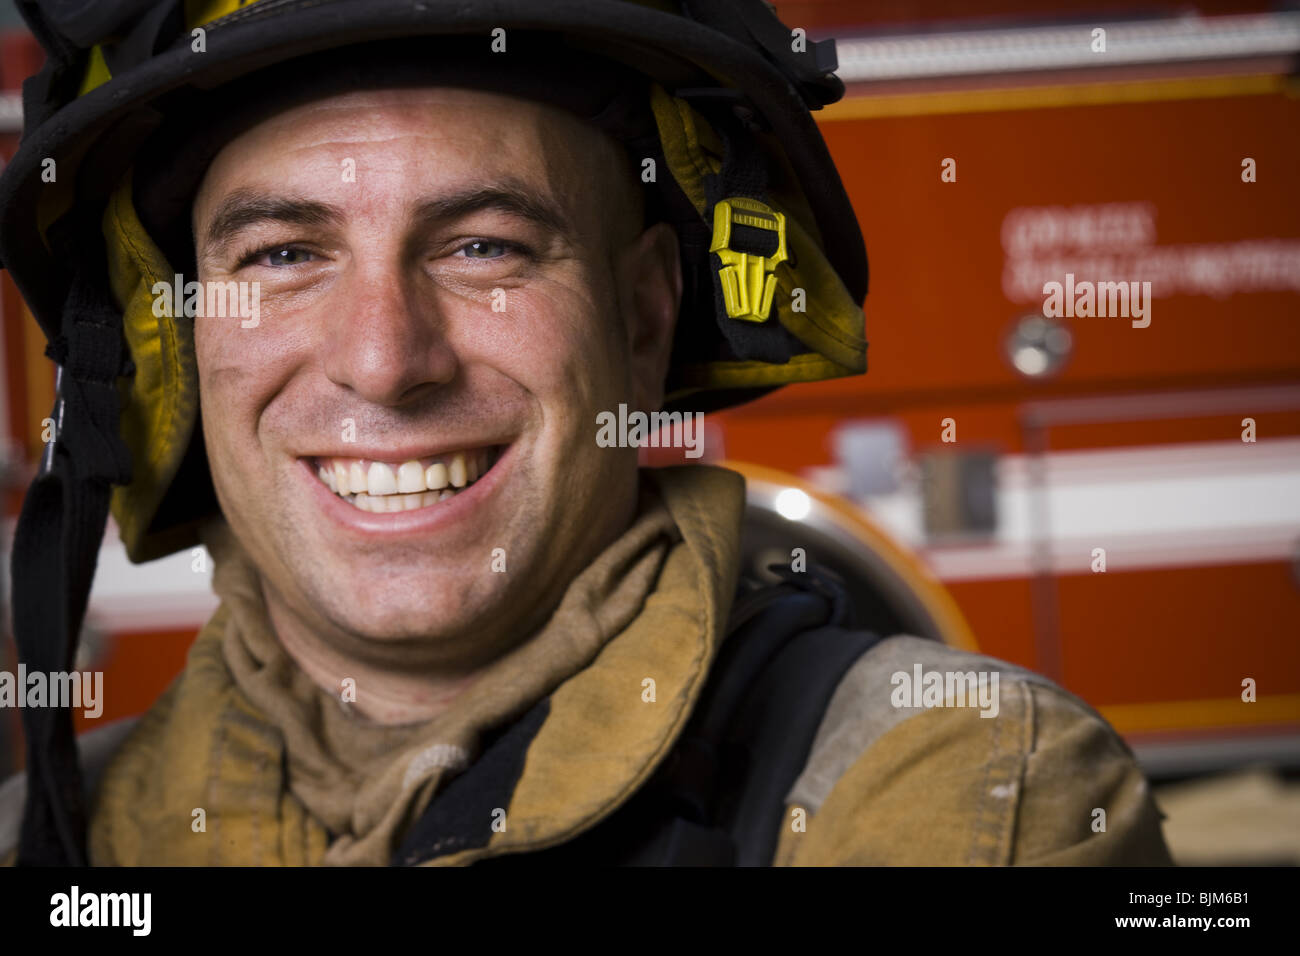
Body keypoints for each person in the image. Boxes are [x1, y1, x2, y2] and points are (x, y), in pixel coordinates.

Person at [0, 0, 1171, 866]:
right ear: (185, 342)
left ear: (647, 316)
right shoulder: (56, 842)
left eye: (483, 246)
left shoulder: (969, 795)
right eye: (285, 255)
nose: (382, 359)